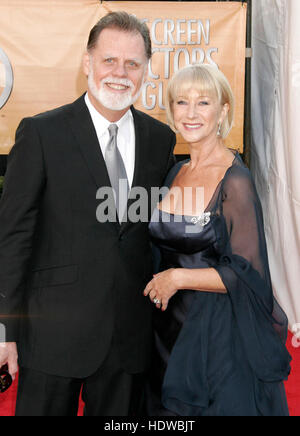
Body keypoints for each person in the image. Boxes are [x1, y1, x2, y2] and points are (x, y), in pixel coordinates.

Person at [0, 12, 176, 416]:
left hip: (128, 341)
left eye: (133, 63)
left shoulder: (159, 139)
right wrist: (4, 330)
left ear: (146, 69)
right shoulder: (42, 133)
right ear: (87, 64)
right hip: (50, 336)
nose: (120, 73)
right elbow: (12, 239)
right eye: (109, 60)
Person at [144, 64, 291, 416]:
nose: (191, 113)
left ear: (224, 110)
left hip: (217, 338)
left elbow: (248, 272)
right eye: (181, 102)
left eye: (203, 102)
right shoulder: (176, 171)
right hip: (166, 332)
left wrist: (177, 278)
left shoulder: (236, 181)